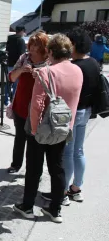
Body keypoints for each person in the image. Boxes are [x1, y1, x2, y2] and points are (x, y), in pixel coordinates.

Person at [14, 34, 83, 223]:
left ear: (51, 52)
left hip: (43, 128)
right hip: (63, 127)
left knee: (34, 169)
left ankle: (27, 206)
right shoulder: (78, 71)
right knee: (57, 168)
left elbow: (36, 105)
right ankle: (55, 209)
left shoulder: (47, 72)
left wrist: (34, 130)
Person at [41, 28, 100, 205]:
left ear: (73, 44)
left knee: (67, 153)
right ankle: (76, 188)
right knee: (79, 151)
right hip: (87, 112)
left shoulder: (75, 67)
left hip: (72, 113)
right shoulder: (93, 63)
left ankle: (63, 191)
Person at [7, 32, 49, 174]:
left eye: (36, 45)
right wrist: (21, 70)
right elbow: (11, 78)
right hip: (21, 104)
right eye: (31, 44)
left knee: (36, 142)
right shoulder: (24, 58)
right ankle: (15, 165)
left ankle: (34, 171)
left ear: (43, 47)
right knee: (19, 138)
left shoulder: (48, 60)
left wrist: (38, 74)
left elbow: (52, 81)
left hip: (39, 107)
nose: (32, 48)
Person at [5, 26, 26, 105]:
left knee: (8, 83)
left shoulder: (10, 39)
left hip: (9, 64)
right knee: (16, 85)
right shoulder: (21, 40)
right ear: (22, 31)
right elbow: (22, 54)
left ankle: (5, 100)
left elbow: (7, 50)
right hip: (17, 66)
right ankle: (13, 101)